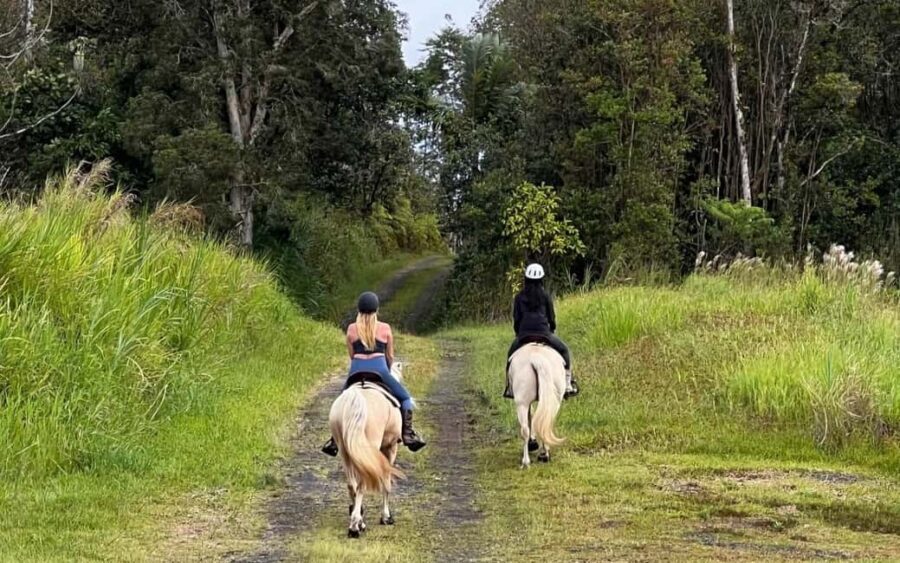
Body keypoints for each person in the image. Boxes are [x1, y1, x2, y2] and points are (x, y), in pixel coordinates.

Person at [321, 291, 427, 457]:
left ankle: (334, 439)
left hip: (356, 371)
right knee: (405, 398)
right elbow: (390, 356)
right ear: (377, 310)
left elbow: (352, 355)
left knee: (341, 399)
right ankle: (408, 435)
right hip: (380, 370)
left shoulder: (351, 329)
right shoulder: (385, 328)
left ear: (358, 310)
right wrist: (387, 370)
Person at [504, 263, 579, 399]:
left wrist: (518, 333)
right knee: (565, 351)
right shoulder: (545, 296)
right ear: (541, 280)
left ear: (526, 279)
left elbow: (517, 319)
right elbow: (551, 318)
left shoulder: (519, 297)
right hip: (544, 334)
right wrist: (552, 329)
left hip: (524, 335)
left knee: (510, 356)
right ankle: (568, 384)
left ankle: (509, 387)